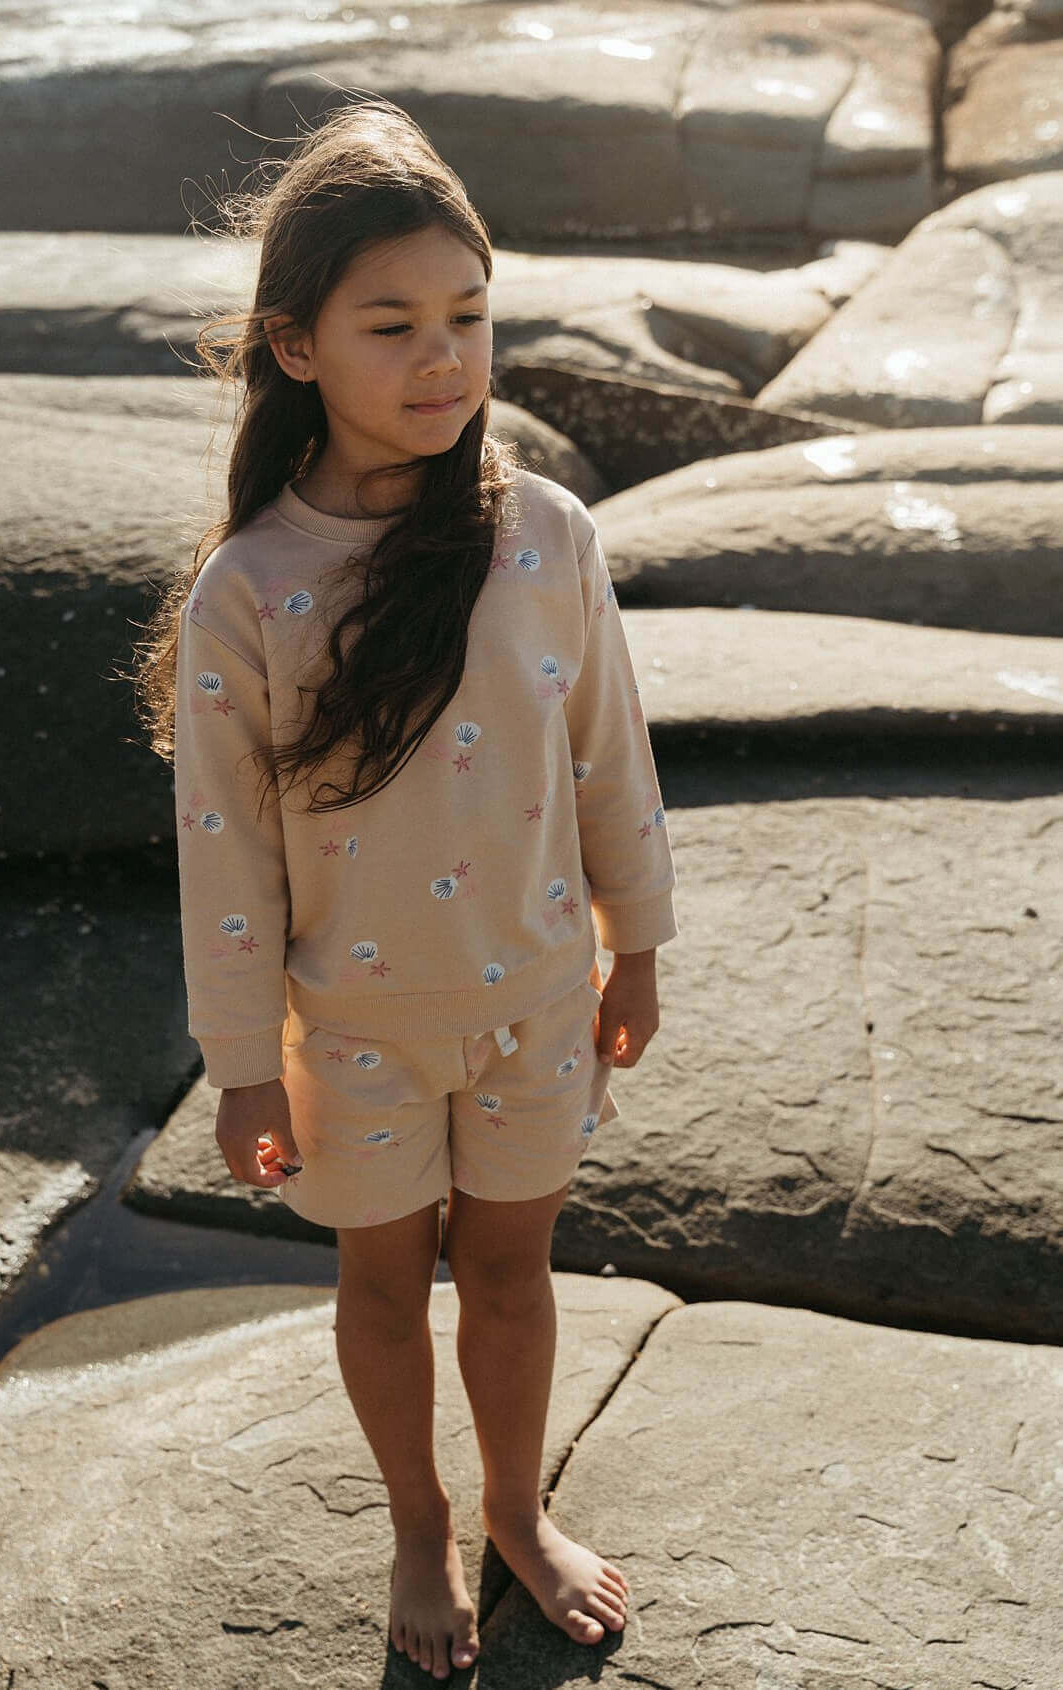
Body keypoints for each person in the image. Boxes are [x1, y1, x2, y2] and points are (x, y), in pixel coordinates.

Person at [134, 97, 679, 1681]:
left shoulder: (547, 536)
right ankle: (419, 1521)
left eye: (467, 317)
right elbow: (222, 848)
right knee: (383, 1280)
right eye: (395, 326)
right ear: (297, 346)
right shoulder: (253, 588)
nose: (444, 359)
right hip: (352, 1026)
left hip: (532, 1000)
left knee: (511, 1272)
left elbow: (607, 759)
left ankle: (516, 1504)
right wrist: (243, 1059)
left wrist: (635, 943)